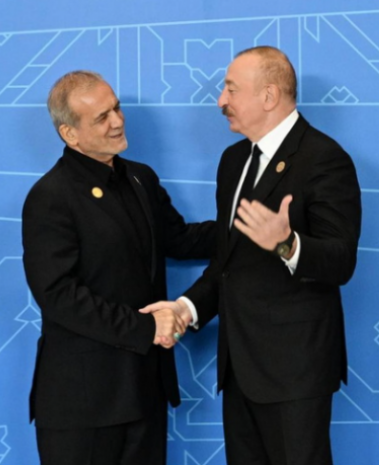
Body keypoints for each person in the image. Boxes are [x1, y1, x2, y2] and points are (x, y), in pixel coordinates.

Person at [141, 46, 362, 465]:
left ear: (269, 95)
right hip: (240, 368)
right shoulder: (233, 161)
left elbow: (341, 260)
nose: (220, 101)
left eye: (230, 89)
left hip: (295, 372)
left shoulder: (324, 159)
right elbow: (229, 263)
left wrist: (287, 243)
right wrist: (186, 308)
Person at [22, 70, 215, 465]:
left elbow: (180, 240)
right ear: (70, 134)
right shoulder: (50, 197)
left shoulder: (140, 178)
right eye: (101, 117)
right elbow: (58, 296)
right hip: (84, 403)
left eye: (116, 108)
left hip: (144, 391)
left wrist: (249, 228)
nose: (118, 121)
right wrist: (147, 328)